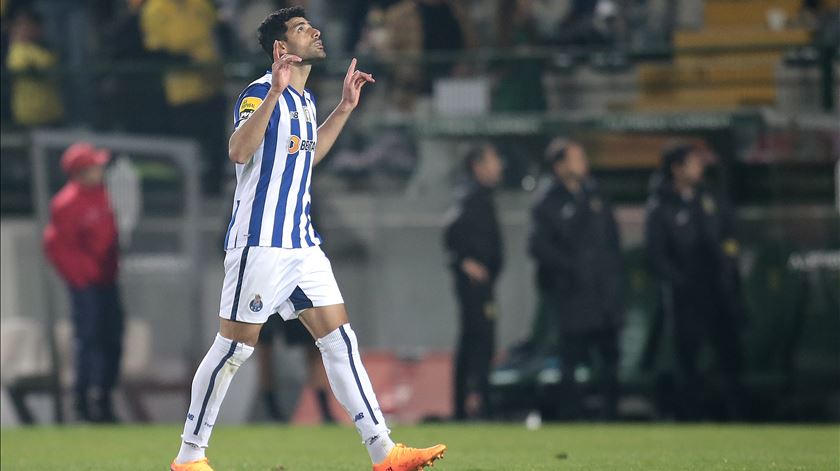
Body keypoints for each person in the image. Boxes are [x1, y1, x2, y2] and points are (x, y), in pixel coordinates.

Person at [169, 8, 445, 471]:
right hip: (260, 243)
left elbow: (306, 159)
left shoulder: (308, 101)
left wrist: (343, 110)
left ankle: (385, 452)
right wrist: (275, 90)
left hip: (302, 244)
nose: (315, 31)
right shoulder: (260, 92)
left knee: (340, 341)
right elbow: (238, 150)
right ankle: (189, 456)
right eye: (301, 29)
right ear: (282, 49)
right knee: (234, 348)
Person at [644, 142, 744, 421]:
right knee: (688, 359)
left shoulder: (711, 197)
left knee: (730, 356)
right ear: (677, 169)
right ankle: (692, 417)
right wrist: (682, 281)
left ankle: (739, 416)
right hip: (686, 297)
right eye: (693, 162)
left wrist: (729, 265)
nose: (700, 167)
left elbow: (731, 234)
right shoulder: (661, 206)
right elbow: (654, 256)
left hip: (720, 291)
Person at [529, 139, 622, 420]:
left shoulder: (595, 195)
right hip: (571, 294)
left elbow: (612, 240)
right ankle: (572, 415)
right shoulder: (547, 202)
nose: (583, 163)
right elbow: (539, 247)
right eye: (576, 158)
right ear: (559, 166)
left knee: (609, 356)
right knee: (571, 357)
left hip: (602, 292)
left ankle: (610, 415)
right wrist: (570, 270)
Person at [43, 142, 123, 423]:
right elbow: (58, 247)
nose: (100, 170)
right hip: (86, 284)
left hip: (106, 279)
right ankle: (82, 400)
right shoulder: (66, 203)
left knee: (112, 337)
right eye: (94, 166)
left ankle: (104, 396)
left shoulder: (104, 195)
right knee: (88, 338)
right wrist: (83, 276)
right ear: (80, 171)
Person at [442, 143, 504, 421]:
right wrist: (463, 261)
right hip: (474, 288)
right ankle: (475, 406)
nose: (499, 165)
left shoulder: (482, 197)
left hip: (485, 286)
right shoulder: (470, 198)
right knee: (476, 342)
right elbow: (450, 234)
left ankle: (468, 407)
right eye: (493, 160)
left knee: (477, 341)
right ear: (477, 166)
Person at [256, 315, 335, 423]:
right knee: (265, 351)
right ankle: (272, 412)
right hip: (270, 303)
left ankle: (325, 411)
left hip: (296, 302)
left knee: (314, 348)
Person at [5, 7, 63, 127]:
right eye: (21, 26)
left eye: (29, 25)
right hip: (28, 115)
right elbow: (18, 64)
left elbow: (49, 65)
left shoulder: (46, 48)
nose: (25, 30)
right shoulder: (15, 50)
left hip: (52, 113)